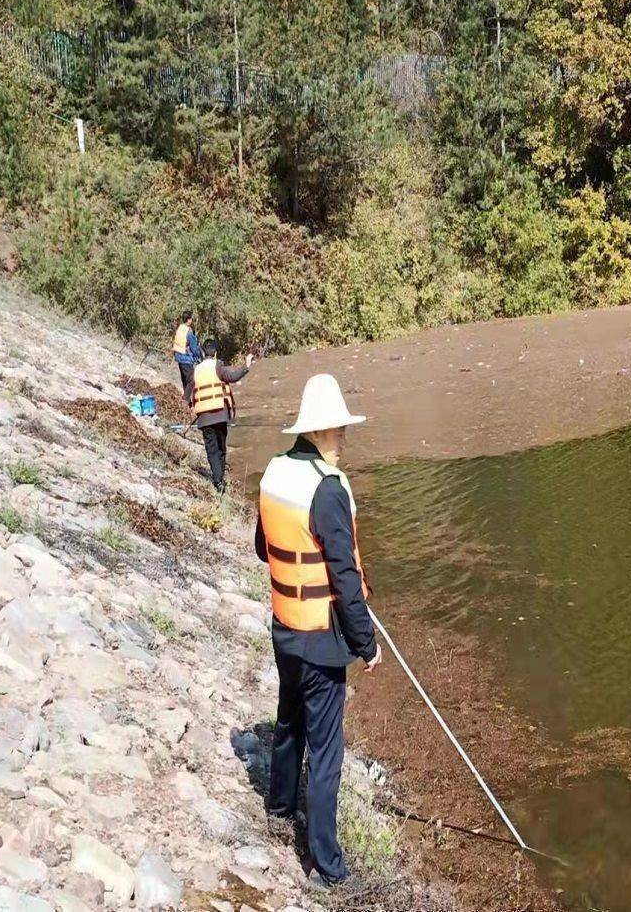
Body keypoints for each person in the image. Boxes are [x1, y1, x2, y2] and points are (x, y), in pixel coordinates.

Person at [254, 373, 382, 887]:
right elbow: (344, 575)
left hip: (285, 626)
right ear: (322, 430)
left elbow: (264, 548)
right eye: (340, 429)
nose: (344, 438)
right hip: (319, 641)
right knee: (327, 753)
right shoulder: (327, 489)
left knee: (289, 721)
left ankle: (281, 807)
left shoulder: (274, 472)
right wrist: (365, 643)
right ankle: (328, 868)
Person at [191, 340, 252, 492]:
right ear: (216, 353)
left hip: (205, 418)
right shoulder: (218, 366)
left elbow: (189, 393)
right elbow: (232, 376)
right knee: (221, 449)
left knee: (211, 450)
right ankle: (220, 479)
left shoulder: (196, 370)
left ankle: (218, 482)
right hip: (220, 414)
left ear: (204, 353)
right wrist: (246, 366)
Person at [172, 310, 203, 405]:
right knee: (192, 380)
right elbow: (194, 348)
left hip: (178, 357)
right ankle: (185, 401)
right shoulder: (189, 332)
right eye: (191, 318)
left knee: (185, 380)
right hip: (186, 358)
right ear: (189, 320)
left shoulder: (180, 328)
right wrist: (201, 357)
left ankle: (188, 402)